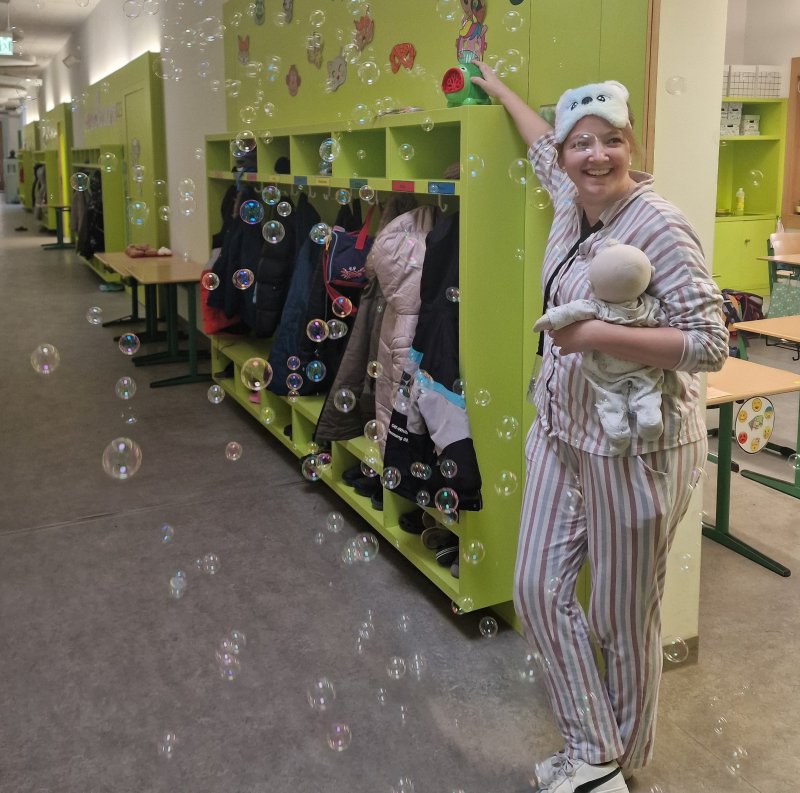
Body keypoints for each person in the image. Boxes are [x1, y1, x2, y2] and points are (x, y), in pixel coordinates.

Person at [470, 63, 728, 793]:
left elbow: (710, 344)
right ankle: (597, 748)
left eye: (609, 140)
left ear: (630, 143)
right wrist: (498, 88)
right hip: (560, 430)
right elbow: (536, 142)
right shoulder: (565, 199)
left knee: (619, 614)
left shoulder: (659, 226)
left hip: (635, 450)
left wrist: (598, 339)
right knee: (535, 587)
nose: (594, 156)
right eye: (579, 143)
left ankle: (606, 763)